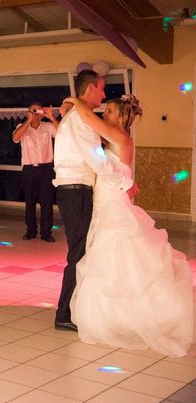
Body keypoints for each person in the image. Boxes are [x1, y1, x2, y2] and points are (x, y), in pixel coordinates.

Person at [63, 95, 194, 356]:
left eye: (110, 111)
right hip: (107, 200)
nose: (105, 114)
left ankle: (131, 319)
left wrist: (76, 101)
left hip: (113, 202)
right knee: (110, 258)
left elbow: (89, 120)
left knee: (116, 255)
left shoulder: (121, 137)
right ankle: (116, 318)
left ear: (123, 116)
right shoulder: (113, 138)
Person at [53, 70, 130, 331]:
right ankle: (64, 314)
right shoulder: (80, 119)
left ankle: (72, 308)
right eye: (102, 88)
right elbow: (96, 158)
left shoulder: (79, 116)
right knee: (78, 251)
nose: (105, 94)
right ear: (90, 90)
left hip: (76, 189)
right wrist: (124, 182)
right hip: (75, 190)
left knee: (81, 250)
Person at [12, 103, 59, 242]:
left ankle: (46, 233)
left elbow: (63, 132)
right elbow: (15, 138)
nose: (36, 114)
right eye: (33, 111)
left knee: (47, 201)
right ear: (28, 112)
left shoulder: (47, 127)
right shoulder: (22, 126)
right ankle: (31, 231)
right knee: (30, 201)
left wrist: (51, 118)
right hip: (29, 169)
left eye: (38, 111)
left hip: (46, 169)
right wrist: (28, 121)